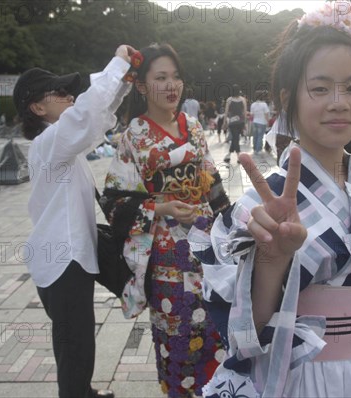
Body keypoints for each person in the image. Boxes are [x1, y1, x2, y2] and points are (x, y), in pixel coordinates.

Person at [188, 2, 351, 397]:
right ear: (287, 98)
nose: (339, 102)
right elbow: (244, 334)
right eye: (320, 87)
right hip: (304, 378)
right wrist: (272, 259)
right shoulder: (262, 207)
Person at [99, 43, 230, 397]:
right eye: (160, 78)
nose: (171, 85)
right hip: (166, 255)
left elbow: (213, 185)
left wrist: (233, 230)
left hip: (207, 248)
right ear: (141, 86)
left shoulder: (195, 127)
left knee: (217, 330)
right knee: (177, 334)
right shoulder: (135, 136)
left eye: (176, 77)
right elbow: (114, 200)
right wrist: (161, 208)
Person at [13, 44, 134, 398]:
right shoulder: (49, 143)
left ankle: (83, 391)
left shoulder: (59, 145)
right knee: (74, 348)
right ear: (38, 107)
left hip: (67, 260)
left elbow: (95, 120)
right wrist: (118, 63)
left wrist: (123, 82)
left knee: (79, 342)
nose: (69, 96)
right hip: (61, 262)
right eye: (60, 93)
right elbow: (85, 114)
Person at [223, 84, 247, 164]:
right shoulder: (243, 99)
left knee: (235, 138)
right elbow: (245, 112)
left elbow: (226, 112)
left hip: (232, 122)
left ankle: (231, 155)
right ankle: (234, 156)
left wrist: (224, 122)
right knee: (236, 138)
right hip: (241, 121)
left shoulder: (229, 99)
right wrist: (245, 123)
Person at [249, 90, 270, 154]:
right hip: (262, 122)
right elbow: (266, 114)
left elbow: (251, 114)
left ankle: (255, 148)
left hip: (255, 121)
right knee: (260, 136)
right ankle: (259, 149)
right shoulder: (264, 104)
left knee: (255, 136)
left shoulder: (253, 104)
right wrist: (268, 121)